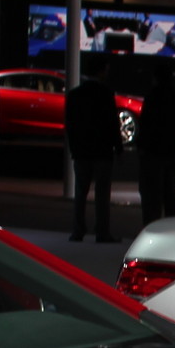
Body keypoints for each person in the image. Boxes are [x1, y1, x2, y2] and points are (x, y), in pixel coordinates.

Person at [63, 64, 121, 242]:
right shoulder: (106, 94)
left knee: (80, 192)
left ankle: (78, 230)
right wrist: (117, 145)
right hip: (102, 151)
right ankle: (101, 232)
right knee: (102, 194)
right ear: (101, 71)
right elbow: (112, 123)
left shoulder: (74, 95)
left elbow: (70, 124)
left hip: (82, 151)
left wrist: (74, 147)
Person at [136, 57, 175, 227]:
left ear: (155, 78)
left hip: (153, 153)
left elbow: (145, 126)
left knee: (151, 197)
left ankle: (150, 230)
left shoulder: (151, 99)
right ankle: (171, 230)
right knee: (171, 195)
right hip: (173, 153)